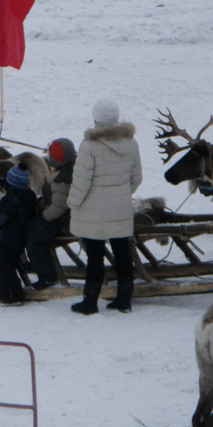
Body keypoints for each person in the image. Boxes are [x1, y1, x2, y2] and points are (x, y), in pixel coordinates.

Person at [67, 99, 142, 315]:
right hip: (120, 208)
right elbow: (136, 177)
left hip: (92, 212)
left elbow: (81, 182)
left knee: (94, 257)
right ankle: (124, 301)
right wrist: (122, 193)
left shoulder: (89, 146)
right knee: (122, 254)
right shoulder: (131, 143)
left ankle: (90, 302)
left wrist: (73, 203)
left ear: (96, 119)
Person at [0, 163, 37, 306]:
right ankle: (8, 293)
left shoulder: (10, 200)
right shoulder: (29, 197)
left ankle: (11, 296)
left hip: (7, 240)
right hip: (19, 239)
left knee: (3, 269)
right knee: (9, 267)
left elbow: (0, 218)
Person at [26, 138, 76, 290]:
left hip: (59, 217)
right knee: (30, 228)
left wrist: (45, 217)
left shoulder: (60, 179)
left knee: (35, 240)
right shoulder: (74, 170)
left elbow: (60, 206)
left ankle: (48, 278)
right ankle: (36, 264)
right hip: (62, 213)